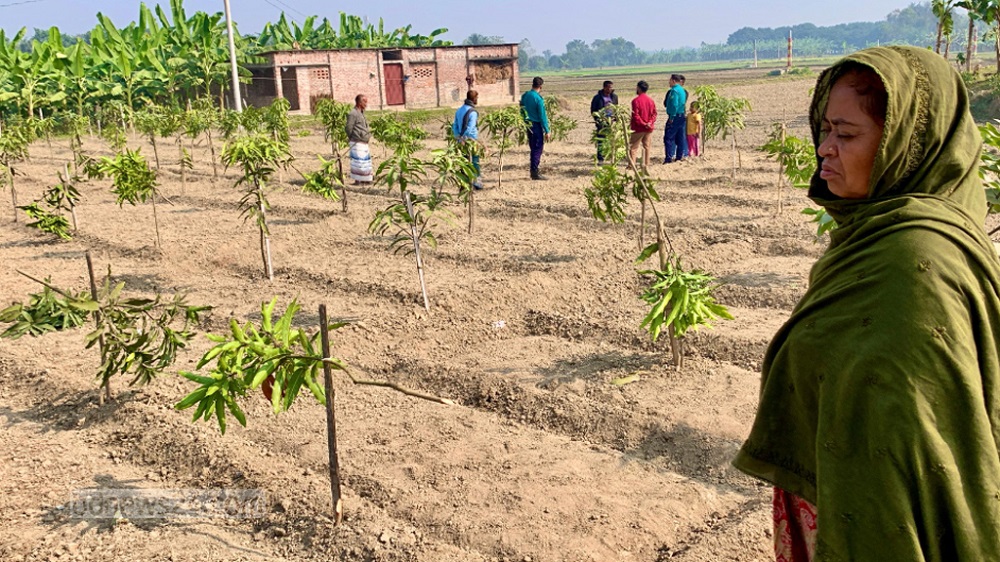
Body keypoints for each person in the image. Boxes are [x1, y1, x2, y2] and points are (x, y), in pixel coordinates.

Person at [733, 46, 1000, 560]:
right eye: (824, 130)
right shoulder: (870, 240)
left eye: (847, 134)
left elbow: (914, 452)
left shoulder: (916, 263)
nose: (824, 149)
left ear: (906, 144)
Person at [520, 76, 551, 180]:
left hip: (528, 124)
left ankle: (533, 170)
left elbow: (521, 109)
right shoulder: (538, 99)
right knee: (537, 148)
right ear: (540, 86)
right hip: (536, 125)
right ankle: (534, 172)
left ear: (532, 84)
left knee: (533, 147)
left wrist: (524, 121)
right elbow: (542, 116)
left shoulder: (525, 95)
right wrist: (547, 130)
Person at [453, 90, 483, 190]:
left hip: (460, 141)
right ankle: (477, 183)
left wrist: (458, 137)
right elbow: (470, 127)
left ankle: (464, 184)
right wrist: (465, 138)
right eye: (477, 98)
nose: (477, 100)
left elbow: (455, 125)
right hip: (471, 141)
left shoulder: (459, 110)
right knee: (475, 162)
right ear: (473, 99)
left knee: (464, 162)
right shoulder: (473, 112)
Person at [628, 80, 656, 171]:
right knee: (647, 147)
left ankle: (632, 165)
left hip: (638, 128)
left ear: (639, 88)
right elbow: (654, 114)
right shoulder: (651, 100)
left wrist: (643, 124)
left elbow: (636, 115)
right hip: (648, 128)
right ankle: (646, 164)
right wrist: (649, 123)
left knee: (633, 147)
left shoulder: (635, 101)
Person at [346, 94, 373, 184]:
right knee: (358, 162)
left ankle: (366, 179)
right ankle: (358, 180)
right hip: (357, 141)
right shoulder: (353, 113)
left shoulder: (361, 113)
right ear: (359, 102)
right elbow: (348, 127)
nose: (366, 104)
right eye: (364, 102)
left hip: (364, 141)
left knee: (365, 162)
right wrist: (353, 137)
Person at [590, 80, 618, 164]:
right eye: (609, 87)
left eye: (611, 87)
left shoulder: (614, 97)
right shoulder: (597, 98)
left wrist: (615, 119)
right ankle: (600, 159)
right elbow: (593, 110)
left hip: (611, 122)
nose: (610, 89)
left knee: (612, 140)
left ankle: (611, 157)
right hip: (601, 123)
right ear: (604, 88)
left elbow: (616, 108)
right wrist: (598, 120)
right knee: (601, 141)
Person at [662, 74, 687, 163]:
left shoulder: (674, 91)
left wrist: (671, 117)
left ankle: (668, 158)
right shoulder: (682, 90)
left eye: (670, 80)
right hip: (681, 115)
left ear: (673, 80)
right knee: (680, 137)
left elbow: (674, 104)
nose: (669, 82)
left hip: (675, 116)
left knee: (668, 137)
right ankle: (679, 156)